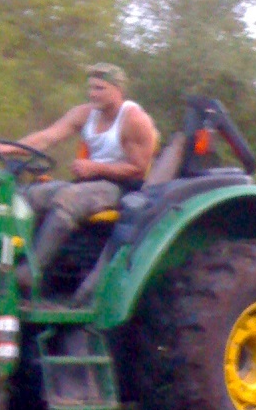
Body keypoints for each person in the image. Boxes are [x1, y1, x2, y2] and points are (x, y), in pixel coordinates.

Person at [10, 63, 158, 293]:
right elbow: (47, 138)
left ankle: (30, 273)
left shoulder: (134, 120)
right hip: (88, 182)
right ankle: (6, 260)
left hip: (119, 187)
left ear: (117, 90)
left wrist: (95, 168)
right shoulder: (85, 113)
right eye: (90, 88)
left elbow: (138, 169)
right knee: (27, 195)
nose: (92, 94)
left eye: (99, 88)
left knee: (68, 199)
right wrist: (8, 148)